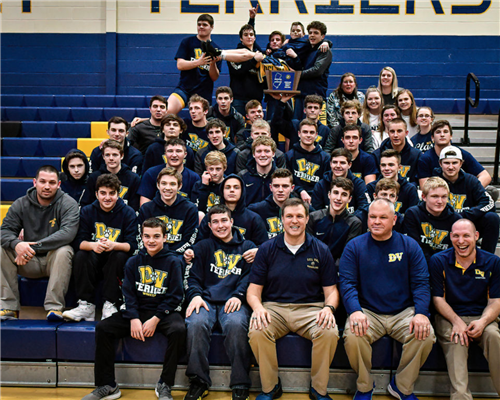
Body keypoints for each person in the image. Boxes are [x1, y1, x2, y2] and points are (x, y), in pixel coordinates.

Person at [80, 218, 186, 400]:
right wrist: (134, 318)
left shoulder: (174, 262)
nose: (151, 241)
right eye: (147, 236)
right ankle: (108, 384)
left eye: (156, 236)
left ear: (165, 238)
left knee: (179, 330)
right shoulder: (133, 261)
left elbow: (175, 296)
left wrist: (156, 319)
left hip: (163, 313)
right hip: (138, 310)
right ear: (141, 237)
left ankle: (165, 384)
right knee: (103, 327)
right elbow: (127, 294)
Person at [339, 198, 435, 400]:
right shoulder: (354, 247)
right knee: (353, 335)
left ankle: (401, 386)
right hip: (368, 312)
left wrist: (420, 313)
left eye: (383, 217)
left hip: (403, 312)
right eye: (372, 217)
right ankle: (365, 387)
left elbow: (421, 284)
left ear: (394, 219)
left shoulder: (409, 245)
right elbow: (347, 284)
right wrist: (355, 311)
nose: (376, 221)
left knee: (425, 335)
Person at [247, 198, 339, 400]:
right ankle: (270, 388)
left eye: (299, 216)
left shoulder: (321, 249)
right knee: (257, 329)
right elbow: (253, 291)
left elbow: (331, 291)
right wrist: (258, 308)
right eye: (289, 216)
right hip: (274, 309)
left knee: (329, 331)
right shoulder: (267, 249)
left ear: (307, 219)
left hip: (311, 309)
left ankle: (318, 389)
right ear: (282, 220)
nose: (294, 221)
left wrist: (328, 308)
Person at [184, 205, 256, 400]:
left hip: (234, 300)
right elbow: (193, 278)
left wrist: (239, 295)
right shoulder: (202, 247)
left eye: (224, 220)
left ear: (232, 222)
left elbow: (250, 278)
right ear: (209, 225)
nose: (220, 225)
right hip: (206, 300)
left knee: (236, 324)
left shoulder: (248, 248)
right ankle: (198, 381)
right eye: (215, 222)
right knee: (195, 323)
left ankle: (240, 383)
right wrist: (195, 296)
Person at [430, 219, 500, 400]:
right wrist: (457, 322)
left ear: (476, 236)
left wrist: (483, 322)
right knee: (457, 340)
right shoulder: (438, 261)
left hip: (482, 316)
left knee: (494, 336)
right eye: (456, 236)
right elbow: (438, 299)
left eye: (466, 235)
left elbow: (495, 301)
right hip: (450, 317)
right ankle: (461, 397)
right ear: (450, 237)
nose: (461, 241)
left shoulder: (493, 262)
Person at [0, 165, 79, 321]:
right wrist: (17, 244)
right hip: (27, 262)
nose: (47, 186)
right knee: (2, 249)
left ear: (59, 184)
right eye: (43, 182)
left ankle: (55, 308)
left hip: (54, 260)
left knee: (65, 250)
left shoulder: (68, 203)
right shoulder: (20, 204)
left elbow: (67, 234)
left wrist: (30, 248)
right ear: (34, 182)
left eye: (52, 182)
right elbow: (4, 231)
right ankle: (9, 307)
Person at [63, 174, 138, 322]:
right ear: (96, 194)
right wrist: (93, 245)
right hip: (93, 258)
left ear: (118, 194)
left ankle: (110, 303)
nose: (107, 197)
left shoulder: (128, 213)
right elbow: (77, 241)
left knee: (120, 255)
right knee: (81, 255)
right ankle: (86, 305)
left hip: (115, 260)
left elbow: (132, 246)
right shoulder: (87, 211)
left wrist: (114, 245)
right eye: (103, 193)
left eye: (112, 193)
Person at [432, 145, 499, 254]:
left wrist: (467, 214)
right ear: (440, 164)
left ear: (461, 164)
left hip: (469, 221)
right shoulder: (435, 181)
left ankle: (488, 258)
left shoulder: (471, 180)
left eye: (454, 163)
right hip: (444, 223)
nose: (450, 167)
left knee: (492, 218)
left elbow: (488, 203)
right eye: (446, 163)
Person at [166, 14, 222, 114]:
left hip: (203, 93)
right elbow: (180, 65)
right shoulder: (187, 42)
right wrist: (198, 62)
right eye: (199, 24)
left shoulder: (216, 49)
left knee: (203, 121)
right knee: (167, 111)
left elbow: (214, 77)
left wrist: (213, 63)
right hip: (184, 89)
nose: (201, 27)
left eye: (204, 25)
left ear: (212, 27)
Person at [138, 167, 198, 255]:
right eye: (164, 183)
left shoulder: (190, 209)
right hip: (151, 253)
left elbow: (189, 240)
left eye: (172, 184)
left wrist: (168, 254)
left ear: (179, 186)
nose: (168, 188)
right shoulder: (146, 208)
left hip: (177, 255)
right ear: (158, 185)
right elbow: (141, 237)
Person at [196, 175, 268, 246]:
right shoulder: (211, 216)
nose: (232, 190)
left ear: (242, 191)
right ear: (222, 191)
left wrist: (256, 251)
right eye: (227, 187)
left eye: (236, 187)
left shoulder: (253, 219)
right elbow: (199, 244)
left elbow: (264, 246)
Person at [418, 120, 492, 188]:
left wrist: (472, 191)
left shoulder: (462, 154)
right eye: (438, 132)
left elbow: (485, 176)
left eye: (445, 131)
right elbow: (424, 186)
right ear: (432, 138)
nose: (442, 135)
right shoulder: (425, 158)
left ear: (451, 136)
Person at [403, 177, 461, 264]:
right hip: (419, 262)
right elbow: (414, 247)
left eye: (444, 197)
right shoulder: (413, 214)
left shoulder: (456, 219)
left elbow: (455, 250)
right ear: (424, 197)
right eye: (435, 196)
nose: (440, 201)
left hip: (445, 264)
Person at [308, 177, 362, 264]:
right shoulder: (313, 218)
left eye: (344, 195)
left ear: (349, 199)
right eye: (336, 193)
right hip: (314, 267)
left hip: (338, 271)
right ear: (329, 195)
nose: (338, 198)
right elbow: (308, 248)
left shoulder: (354, 223)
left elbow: (347, 254)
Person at [82, 140, 141, 211]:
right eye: (107, 155)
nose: (111, 158)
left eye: (115, 155)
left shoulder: (133, 178)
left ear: (122, 156)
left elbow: (135, 207)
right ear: (103, 156)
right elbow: (86, 204)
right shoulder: (94, 177)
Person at [312, 148, 370, 221]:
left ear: (349, 165)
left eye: (342, 163)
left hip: (351, 225)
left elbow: (364, 207)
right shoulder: (321, 185)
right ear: (330, 164)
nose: (338, 166)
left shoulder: (358, 184)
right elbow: (316, 211)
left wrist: (350, 221)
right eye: (335, 162)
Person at [139, 138, 201, 205]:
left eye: (178, 151)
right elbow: (144, 203)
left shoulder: (194, 178)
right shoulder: (151, 173)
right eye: (170, 151)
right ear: (165, 154)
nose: (174, 155)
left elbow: (195, 205)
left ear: (185, 154)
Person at [293, 21, 332, 120]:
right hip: (301, 95)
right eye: (310, 33)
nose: (312, 35)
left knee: (316, 130)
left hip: (316, 97)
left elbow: (317, 70)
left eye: (316, 33)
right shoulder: (308, 48)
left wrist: (296, 75)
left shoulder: (324, 51)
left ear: (322, 36)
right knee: (298, 126)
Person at [285, 119, 330, 201]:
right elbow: (286, 181)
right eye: (305, 132)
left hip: (317, 199)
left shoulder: (325, 158)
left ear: (316, 135)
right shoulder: (289, 156)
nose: (308, 135)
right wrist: (300, 190)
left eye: (312, 132)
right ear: (299, 134)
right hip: (294, 198)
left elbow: (326, 183)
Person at [228, 19, 265, 115]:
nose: (249, 37)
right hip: (239, 99)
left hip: (256, 99)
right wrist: (253, 61)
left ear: (255, 38)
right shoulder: (234, 54)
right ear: (241, 38)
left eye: (251, 35)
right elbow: (237, 71)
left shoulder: (259, 53)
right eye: (245, 35)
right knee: (239, 127)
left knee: (256, 127)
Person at [367, 149, 419, 214]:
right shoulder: (371, 187)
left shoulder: (410, 189)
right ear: (380, 167)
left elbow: (413, 215)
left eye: (391, 165)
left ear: (399, 167)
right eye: (383, 165)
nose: (386, 168)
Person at [248, 168, 295, 239]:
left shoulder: (301, 209)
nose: (280, 190)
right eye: (276, 186)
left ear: (292, 188)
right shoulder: (256, 210)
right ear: (271, 187)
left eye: (285, 186)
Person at [372, 118, 421, 185]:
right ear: (388, 133)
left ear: (406, 133)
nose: (395, 135)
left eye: (399, 131)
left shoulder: (417, 155)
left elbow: (418, 182)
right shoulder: (376, 155)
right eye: (392, 131)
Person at [238, 136, 277, 205]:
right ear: (253, 154)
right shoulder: (243, 176)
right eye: (259, 151)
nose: (262, 155)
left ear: (273, 153)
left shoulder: (280, 176)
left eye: (267, 151)